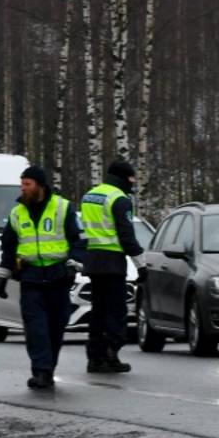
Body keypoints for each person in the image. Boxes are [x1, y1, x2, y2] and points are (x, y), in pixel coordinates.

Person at [0, 165, 85, 390]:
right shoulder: (17, 213)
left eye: (28, 184)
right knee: (36, 327)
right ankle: (41, 370)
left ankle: (48, 367)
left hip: (58, 276)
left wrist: (74, 264)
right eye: (22, 184)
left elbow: (77, 240)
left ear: (40, 186)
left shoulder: (62, 208)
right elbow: (8, 247)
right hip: (31, 277)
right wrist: (3, 275)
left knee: (56, 326)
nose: (23, 188)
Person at [81, 159, 145, 373]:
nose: (133, 182)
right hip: (112, 261)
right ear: (123, 177)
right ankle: (111, 354)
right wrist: (141, 265)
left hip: (93, 260)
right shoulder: (120, 199)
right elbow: (127, 236)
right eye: (131, 178)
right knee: (116, 311)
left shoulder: (90, 196)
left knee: (98, 311)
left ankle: (94, 357)